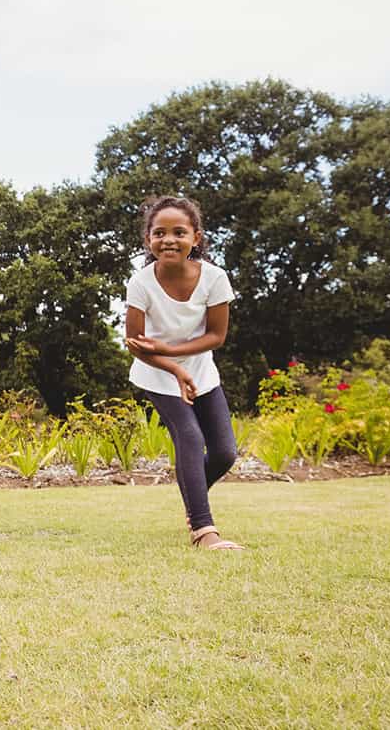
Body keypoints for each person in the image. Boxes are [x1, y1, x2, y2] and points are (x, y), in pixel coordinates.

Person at [122, 195, 243, 551]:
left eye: (179, 232)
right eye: (159, 232)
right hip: (157, 373)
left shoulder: (215, 278)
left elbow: (216, 337)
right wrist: (172, 367)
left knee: (224, 453)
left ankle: (193, 498)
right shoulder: (140, 283)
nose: (169, 239)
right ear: (148, 241)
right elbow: (135, 344)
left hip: (202, 371)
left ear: (197, 237)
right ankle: (203, 530)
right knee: (189, 438)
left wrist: (174, 352)